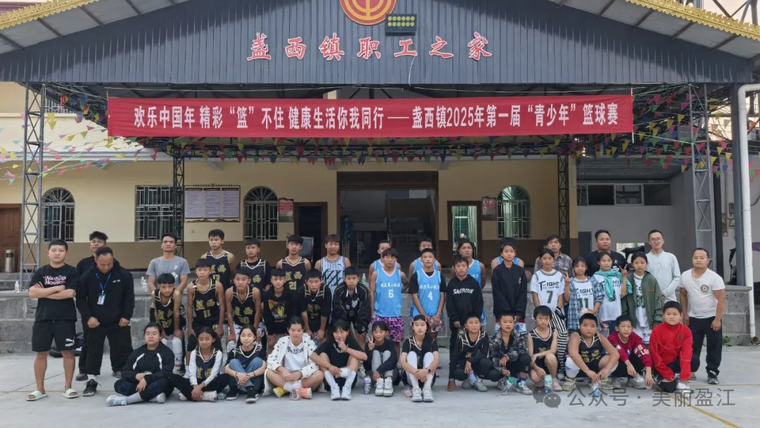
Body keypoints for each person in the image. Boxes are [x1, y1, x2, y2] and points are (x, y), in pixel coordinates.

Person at [78, 247, 135, 397]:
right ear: (95, 260)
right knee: (93, 351)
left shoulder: (123, 274)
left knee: (124, 349)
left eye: (109, 263)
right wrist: (88, 317)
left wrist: (126, 316)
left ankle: (128, 377)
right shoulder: (87, 276)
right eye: (102, 264)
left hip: (119, 320)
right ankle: (91, 381)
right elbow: (81, 300)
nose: (106, 267)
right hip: (95, 321)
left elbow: (129, 297)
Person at [27, 240, 80, 401]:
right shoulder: (40, 272)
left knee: (68, 352)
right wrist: (57, 288)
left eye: (61, 250)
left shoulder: (72, 271)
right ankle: (40, 389)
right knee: (41, 353)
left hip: (65, 318)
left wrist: (44, 292)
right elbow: (32, 293)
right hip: (43, 318)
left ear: (66, 253)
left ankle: (68, 387)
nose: (57, 253)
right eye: (54, 250)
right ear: (48, 252)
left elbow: (69, 293)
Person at [679, 248, 725, 385]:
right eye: (695, 257)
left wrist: (717, 319)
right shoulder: (685, 276)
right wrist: (685, 314)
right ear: (692, 259)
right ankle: (691, 371)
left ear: (707, 260)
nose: (698, 260)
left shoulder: (714, 278)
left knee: (714, 346)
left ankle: (712, 372)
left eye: (702, 257)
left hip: (711, 318)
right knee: (691, 346)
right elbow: (683, 295)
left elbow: (721, 300)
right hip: (693, 318)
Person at [105, 323, 175, 406]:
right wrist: (136, 376)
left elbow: (166, 372)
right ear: (144, 336)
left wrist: (147, 379)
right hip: (139, 384)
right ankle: (153, 397)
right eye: (148, 334)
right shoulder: (137, 352)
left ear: (160, 336)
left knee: (165, 383)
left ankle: (128, 400)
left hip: (156, 382)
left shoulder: (167, 353)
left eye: (154, 334)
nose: (150, 336)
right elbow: (125, 371)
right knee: (119, 384)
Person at [75, 231, 111, 382]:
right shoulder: (83, 264)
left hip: (109, 308)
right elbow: (78, 286)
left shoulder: (113, 263)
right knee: (88, 340)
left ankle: (118, 369)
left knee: (116, 341)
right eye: (93, 241)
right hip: (89, 309)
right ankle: (84, 370)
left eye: (100, 241)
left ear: (105, 244)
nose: (96, 244)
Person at [445, 258, 483, 389]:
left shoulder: (473, 283)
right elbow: (449, 304)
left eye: (463, 266)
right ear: (454, 268)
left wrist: (475, 320)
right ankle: (452, 376)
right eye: (458, 266)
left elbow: (479, 302)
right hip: (457, 324)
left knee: (473, 349)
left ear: (468, 267)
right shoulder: (452, 284)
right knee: (456, 349)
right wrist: (455, 318)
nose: (461, 268)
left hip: (472, 324)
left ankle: (473, 375)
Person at [264, 317, 324, 399]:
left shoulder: (309, 342)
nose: (296, 333)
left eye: (299, 330)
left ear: (303, 330)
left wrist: (300, 373)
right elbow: (271, 359)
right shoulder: (282, 341)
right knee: (268, 372)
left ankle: (287, 389)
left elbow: (315, 364)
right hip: (286, 377)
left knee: (319, 374)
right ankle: (300, 391)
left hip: (304, 377)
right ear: (288, 330)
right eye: (293, 330)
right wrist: (282, 370)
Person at [531, 249, 568, 375]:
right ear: (540, 260)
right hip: (543, 315)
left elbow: (560, 295)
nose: (547, 261)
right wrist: (540, 312)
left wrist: (557, 310)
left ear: (553, 259)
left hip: (556, 313)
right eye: (544, 258)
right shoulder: (537, 276)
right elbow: (535, 295)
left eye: (550, 258)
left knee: (562, 337)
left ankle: (561, 367)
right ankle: (542, 366)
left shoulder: (558, 275)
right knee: (545, 339)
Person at [311, 319, 368, 400]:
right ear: (332, 333)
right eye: (336, 332)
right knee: (322, 355)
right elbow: (313, 356)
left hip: (348, 377)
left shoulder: (351, 342)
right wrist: (330, 366)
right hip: (332, 377)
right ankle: (334, 388)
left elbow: (365, 356)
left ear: (347, 332)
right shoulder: (329, 342)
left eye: (342, 332)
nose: (339, 335)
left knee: (355, 356)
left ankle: (347, 388)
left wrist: (346, 349)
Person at [562, 313, 619, 391]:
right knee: (570, 359)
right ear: (580, 326)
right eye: (585, 325)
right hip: (579, 367)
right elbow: (574, 354)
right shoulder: (575, 336)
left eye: (592, 326)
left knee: (613, 360)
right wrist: (587, 371)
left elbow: (615, 354)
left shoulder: (600, 337)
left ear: (597, 328)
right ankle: (571, 380)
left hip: (595, 365)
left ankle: (599, 379)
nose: (588, 329)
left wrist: (606, 369)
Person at [170, 327, 229, 402]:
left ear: (213, 340)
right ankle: (206, 396)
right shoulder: (194, 352)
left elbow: (214, 374)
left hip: (210, 382)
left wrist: (200, 387)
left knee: (226, 377)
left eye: (207, 339)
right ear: (197, 340)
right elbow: (192, 373)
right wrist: (195, 386)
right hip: (196, 382)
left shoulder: (218, 353)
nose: (204, 342)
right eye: (201, 339)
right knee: (173, 377)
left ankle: (190, 395)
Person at [369, 247, 408, 356]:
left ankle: (395, 362)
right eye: (387, 257)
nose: (390, 260)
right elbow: (372, 293)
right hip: (380, 314)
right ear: (383, 259)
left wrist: (399, 291)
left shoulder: (400, 274)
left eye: (393, 257)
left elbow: (406, 283)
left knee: (396, 342)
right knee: (377, 340)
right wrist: (372, 312)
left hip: (395, 314)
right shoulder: (376, 274)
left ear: (396, 259)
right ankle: (376, 361)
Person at [649, 301, 693, 392]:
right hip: (661, 365)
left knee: (695, 360)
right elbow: (654, 355)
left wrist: (684, 376)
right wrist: (666, 372)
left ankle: (679, 378)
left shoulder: (686, 331)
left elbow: (686, 353)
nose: (671, 317)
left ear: (680, 316)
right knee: (669, 388)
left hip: (675, 362)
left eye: (675, 314)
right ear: (663, 315)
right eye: (668, 314)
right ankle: (660, 377)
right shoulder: (656, 331)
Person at [621, 252, 663, 345]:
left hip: (649, 318)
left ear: (646, 263)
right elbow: (624, 299)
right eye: (636, 263)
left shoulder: (651, 279)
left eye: (642, 262)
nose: (639, 265)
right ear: (632, 264)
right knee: (636, 345)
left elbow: (658, 300)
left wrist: (657, 319)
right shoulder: (628, 278)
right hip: (634, 319)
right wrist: (625, 317)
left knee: (649, 345)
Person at [486, 313, 533, 395]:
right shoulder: (494, 340)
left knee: (526, 357)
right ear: (499, 323)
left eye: (511, 322)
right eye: (505, 322)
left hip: (514, 364)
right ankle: (502, 380)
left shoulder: (518, 336)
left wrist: (508, 357)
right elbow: (494, 357)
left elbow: (522, 350)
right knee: (493, 374)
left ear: (514, 323)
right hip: (501, 365)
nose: (508, 324)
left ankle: (521, 383)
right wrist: (502, 370)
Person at [186, 259, 225, 358]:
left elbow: (222, 306)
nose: (202, 272)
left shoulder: (217, 286)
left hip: (214, 320)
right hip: (199, 320)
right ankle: (188, 367)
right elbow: (190, 307)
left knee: (217, 345)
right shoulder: (191, 287)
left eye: (205, 270)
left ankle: (218, 366)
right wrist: (190, 327)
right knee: (191, 344)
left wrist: (220, 326)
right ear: (196, 271)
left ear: (210, 271)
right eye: (199, 270)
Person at [399, 315, 441, 403]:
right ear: (413, 327)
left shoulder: (432, 341)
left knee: (429, 355)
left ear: (426, 327)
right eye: (416, 325)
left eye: (422, 325)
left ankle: (427, 389)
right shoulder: (408, 342)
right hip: (411, 378)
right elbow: (402, 361)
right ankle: (416, 389)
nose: (419, 328)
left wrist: (426, 371)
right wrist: (416, 372)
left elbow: (437, 360)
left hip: (427, 378)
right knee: (411, 354)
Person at [491, 240, 528, 335]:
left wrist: (519, 311)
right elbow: (497, 292)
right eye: (506, 251)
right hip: (502, 311)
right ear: (501, 254)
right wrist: (506, 310)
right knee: (503, 337)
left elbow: (523, 292)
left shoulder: (520, 271)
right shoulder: (497, 271)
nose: (509, 254)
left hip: (517, 310)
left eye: (511, 251)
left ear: (515, 253)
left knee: (518, 338)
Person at [408, 249, 446, 341]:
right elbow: (414, 296)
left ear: (435, 260)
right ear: (421, 260)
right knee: (418, 341)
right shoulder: (416, 276)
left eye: (430, 257)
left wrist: (438, 314)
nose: (428, 259)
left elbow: (442, 296)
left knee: (432, 341)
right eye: (425, 257)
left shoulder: (439, 276)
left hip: (435, 315)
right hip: (419, 314)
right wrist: (423, 315)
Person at [608, 315, 653, 390]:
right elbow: (620, 351)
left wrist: (648, 372)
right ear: (617, 328)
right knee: (615, 356)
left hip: (630, 364)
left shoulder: (635, 337)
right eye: (623, 326)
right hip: (620, 363)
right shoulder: (612, 338)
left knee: (642, 355)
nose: (626, 329)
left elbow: (643, 351)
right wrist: (629, 364)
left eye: (629, 327)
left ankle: (632, 378)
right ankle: (616, 378)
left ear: (632, 329)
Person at [225, 325, 267, 403]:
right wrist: (238, 374)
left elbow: (264, 367)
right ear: (240, 337)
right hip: (238, 383)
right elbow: (226, 369)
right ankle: (249, 388)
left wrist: (250, 375)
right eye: (243, 335)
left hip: (255, 383)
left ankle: (250, 388)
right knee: (233, 362)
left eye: (249, 335)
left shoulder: (260, 350)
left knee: (258, 361)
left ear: (254, 337)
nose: (246, 338)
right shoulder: (234, 351)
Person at [153, 273, 185, 374]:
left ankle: (178, 367)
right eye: (164, 287)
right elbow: (156, 312)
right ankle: (162, 366)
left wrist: (176, 329)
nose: (167, 290)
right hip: (162, 321)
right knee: (162, 341)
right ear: (159, 286)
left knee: (176, 341)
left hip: (175, 321)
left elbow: (176, 313)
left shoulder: (176, 294)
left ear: (174, 285)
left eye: (170, 286)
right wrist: (161, 330)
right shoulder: (154, 294)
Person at [332, 266, 371, 349]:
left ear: (358, 278)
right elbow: (337, 308)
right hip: (343, 315)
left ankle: (362, 354)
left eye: (354, 278)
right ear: (344, 279)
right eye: (348, 278)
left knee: (360, 335)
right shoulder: (339, 290)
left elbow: (364, 309)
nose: (351, 281)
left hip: (358, 314)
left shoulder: (363, 290)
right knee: (343, 333)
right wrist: (345, 325)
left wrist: (361, 325)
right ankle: (343, 352)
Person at [448, 314, 490, 392]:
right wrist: (451, 379)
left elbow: (484, 353)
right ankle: (471, 378)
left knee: (486, 363)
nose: (474, 325)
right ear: (466, 326)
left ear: (480, 324)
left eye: (476, 322)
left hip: (476, 362)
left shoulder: (484, 335)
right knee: (458, 373)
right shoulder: (461, 337)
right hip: (464, 365)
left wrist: (470, 360)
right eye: (471, 323)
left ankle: (477, 379)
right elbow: (454, 357)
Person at [527, 306, 562, 392]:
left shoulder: (554, 331)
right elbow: (531, 356)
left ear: (550, 319)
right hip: (538, 364)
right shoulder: (531, 334)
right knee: (535, 378)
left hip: (550, 363)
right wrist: (536, 368)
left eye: (546, 318)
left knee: (550, 356)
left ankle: (553, 379)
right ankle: (544, 380)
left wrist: (537, 354)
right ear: (535, 318)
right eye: (540, 318)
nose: (543, 321)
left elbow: (553, 350)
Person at [226, 271, 263, 352]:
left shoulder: (255, 292)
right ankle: (231, 359)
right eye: (237, 279)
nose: (240, 282)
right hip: (237, 323)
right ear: (234, 280)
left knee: (256, 344)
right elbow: (229, 313)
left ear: (249, 281)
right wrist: (232, 333)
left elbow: (258, 313)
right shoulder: (229, 292)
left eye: (243, 279)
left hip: (253, 324)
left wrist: (254, 331)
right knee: (231, 343)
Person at [593, 252, 628, 336]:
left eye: (609, 260)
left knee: (614, 340)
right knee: (603, 340)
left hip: (616, 314)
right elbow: (594, 298)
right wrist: (597, 316)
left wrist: (624, 278)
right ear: (598, 262)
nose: (606, 263)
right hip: (602, 315)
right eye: (604, 261)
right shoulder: (595, 278)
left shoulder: (617, 275)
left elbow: (623, 293)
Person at [262, 269, 298, 351]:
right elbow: (267, 314)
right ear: (271, 280)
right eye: (275, 279)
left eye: (280, 279)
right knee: (271, 345)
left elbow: (293, 313)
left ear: (285, 280)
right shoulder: (267, 295)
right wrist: (270, 332)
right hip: (273, 328)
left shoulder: (291, 294)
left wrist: (290, 330)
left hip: (287, 328)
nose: (278, 282)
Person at [564, 257, 603, 332]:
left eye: (582, 266)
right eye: (577, 266)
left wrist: (595, 309)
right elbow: (567, 299)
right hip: (576, 317)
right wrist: (566, 285)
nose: (580, 268)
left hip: (591, 315)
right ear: (573, 268)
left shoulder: (592, 281)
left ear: (586, 267)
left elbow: (599, 296)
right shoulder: (570, 281)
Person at [364, 321, 397, 397]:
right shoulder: (369, 344)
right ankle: (379, 382)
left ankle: (388, 382)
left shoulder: (390, 344)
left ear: (386, 333)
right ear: (372, 333)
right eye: (375, 332)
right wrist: (369, 350)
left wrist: (379, 370)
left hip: (390, 374)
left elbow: (394, 360)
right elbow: (366, 366)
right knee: (375, 352)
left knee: (387, 353)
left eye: (381, 332)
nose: (378, 334)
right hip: (375, 376)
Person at [646, 230, 681, 302]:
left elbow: (677, 277)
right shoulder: (645, 258)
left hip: (669, 298)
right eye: (653, 239)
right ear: (649, 242)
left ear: (663, 241)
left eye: (658, 239)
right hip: (651, 298)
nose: (656, 241)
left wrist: (666, 292)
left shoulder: (671, 257)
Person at [299, 269, 332, 344]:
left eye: (316, 282)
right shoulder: (302, 290)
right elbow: (303, 311)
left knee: (322, 341)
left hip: (321, 320)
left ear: (321, 281)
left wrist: (322, 329)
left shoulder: (326, 290)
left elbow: (325, 311)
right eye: (311, 282)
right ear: (306, 282)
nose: (313, 285)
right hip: (307, 320)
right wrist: (307, 329)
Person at [458, 239, 487, 323]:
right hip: (461, 300)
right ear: (459, 251)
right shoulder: (455, 267)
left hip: (475, 300)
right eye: (464, 248)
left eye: (469, 248)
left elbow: (483, 281)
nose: (467, 250)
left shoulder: (480, 265)